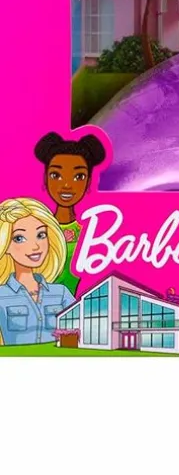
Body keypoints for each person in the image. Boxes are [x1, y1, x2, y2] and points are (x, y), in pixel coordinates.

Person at [34, 132, 107, 295]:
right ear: (45, 178)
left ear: (88, 181)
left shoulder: (91, 233)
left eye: (78, 176)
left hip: (81, 304)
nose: (67, 185)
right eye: (56, 175)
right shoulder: (35, 229)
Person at [0, 198, 74, 347]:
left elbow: (83, 325)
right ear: (5, 244)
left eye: (41, 235)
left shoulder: (61, 293)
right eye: (19, 238)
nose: (35, 246)